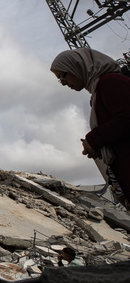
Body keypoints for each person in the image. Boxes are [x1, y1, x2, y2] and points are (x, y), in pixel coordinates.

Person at [50, 48, 130, 206]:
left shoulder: (110, 82)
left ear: (79, 66)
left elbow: (126, 118)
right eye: (60, 79)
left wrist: (92, 140)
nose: (64, 83)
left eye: (63, 75)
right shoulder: (97, 92)